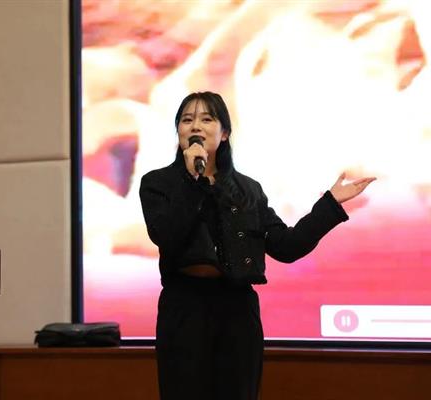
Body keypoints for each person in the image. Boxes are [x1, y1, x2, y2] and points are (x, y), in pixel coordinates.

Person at [139, 91, 375, 400]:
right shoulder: (157, 183)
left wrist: (329, 205)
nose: (195, 126)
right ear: (179, 132)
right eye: (187, 120)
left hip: (237, 310)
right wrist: (194, 181)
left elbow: (286, 246)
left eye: (207, 119)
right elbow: (167, 235)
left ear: (224, 133)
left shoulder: (247, 190)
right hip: (185, 308)